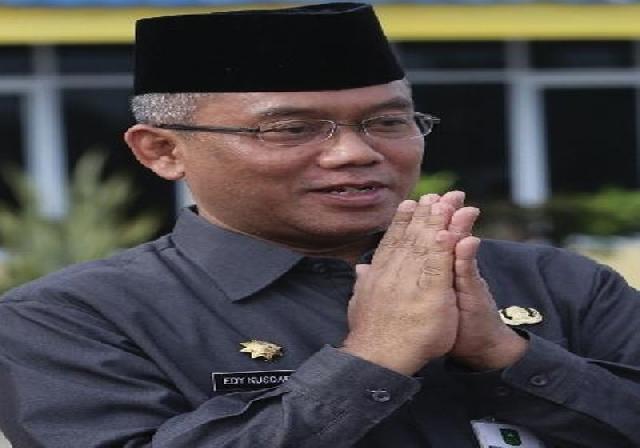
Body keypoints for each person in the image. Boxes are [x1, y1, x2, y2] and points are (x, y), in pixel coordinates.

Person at [0, 3, 638, 447]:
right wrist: (376, 357)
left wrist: (506, 356)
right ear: (162, 151)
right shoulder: (73, 321)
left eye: (387, 122)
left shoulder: (557, 282)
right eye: (291, 128)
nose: (354, 152)